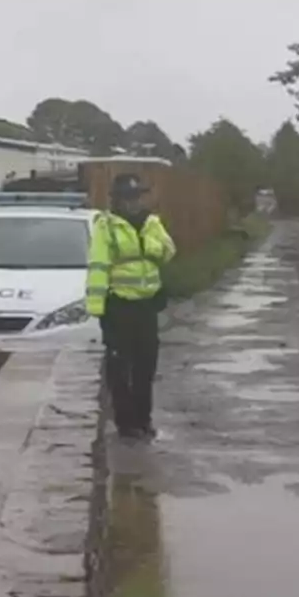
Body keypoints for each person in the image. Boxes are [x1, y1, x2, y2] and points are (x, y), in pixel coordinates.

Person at [86, 173, 177, 440]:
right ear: (118, 201)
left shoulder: (151, 222)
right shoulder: (107, 226)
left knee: (145, 366)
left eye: (138, 197)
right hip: (119, 305)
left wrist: (151, 246)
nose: (135, 203)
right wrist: (97, 306)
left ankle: (143, 419)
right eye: (129, 198)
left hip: (146, 305)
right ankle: (125, 423)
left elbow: (169, 251)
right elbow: (99, 266)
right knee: (119, 367)